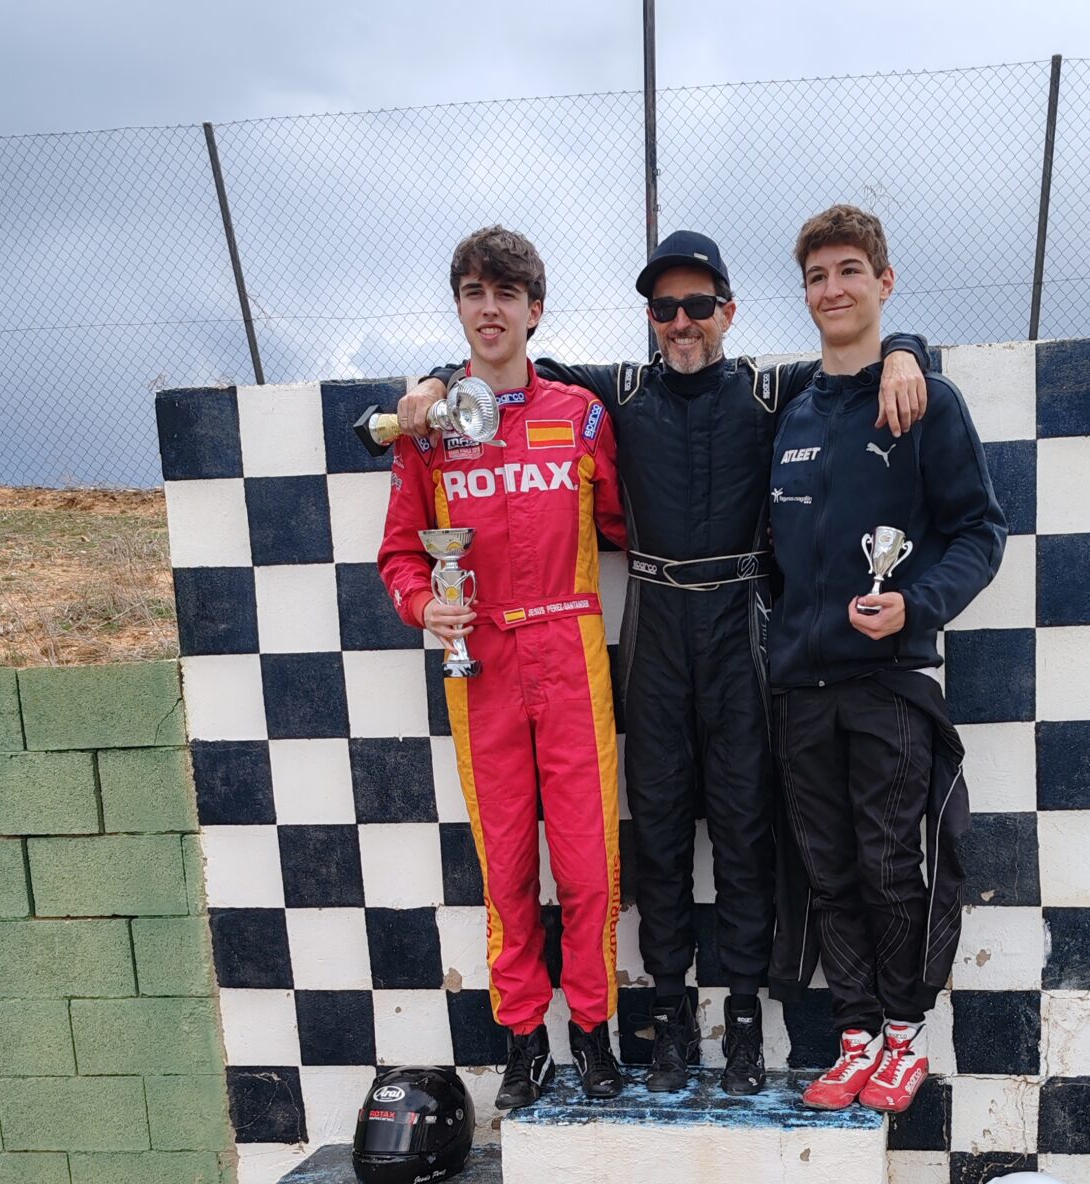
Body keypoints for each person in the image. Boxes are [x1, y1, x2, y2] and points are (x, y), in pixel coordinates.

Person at [398, 229, 932, 1096]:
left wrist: (906, 349)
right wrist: (430, 381)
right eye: (664, 308)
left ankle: (746, 1018)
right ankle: (672, 1018)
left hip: (742, 627)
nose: (681, 322)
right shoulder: (616, 393)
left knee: (746, 831)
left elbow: (854, 357)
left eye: (698, 305)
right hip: (651, 630)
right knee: (656, 835)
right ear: (649, 317)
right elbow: (506, 357)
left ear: (728, 310)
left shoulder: (768, 389)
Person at [378, 227, 629, 1108]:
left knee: (590, 867)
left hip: (570, 653)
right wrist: (423, 605)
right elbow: (401, 555)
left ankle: (594, 1033)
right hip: (479, 664)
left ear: (534, 310)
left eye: (506, 294)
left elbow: (627, 524)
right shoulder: (429, 427)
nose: (490, 309)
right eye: (474, 293)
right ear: (459, 307)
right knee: (508, 867)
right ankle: (525, 1041)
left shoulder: (582, 415)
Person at [765, 205, 1007, 1114]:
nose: (832, 290)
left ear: (884, 282)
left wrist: (915, 604)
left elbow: (981, 533)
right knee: (828, 873)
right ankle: (855, 1035)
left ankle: (905, 1036)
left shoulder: (925, 400)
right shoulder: (792, 411)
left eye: (849, 272)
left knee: (889, 867)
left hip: (890, 684)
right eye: (817, 276)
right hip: (800, 685)